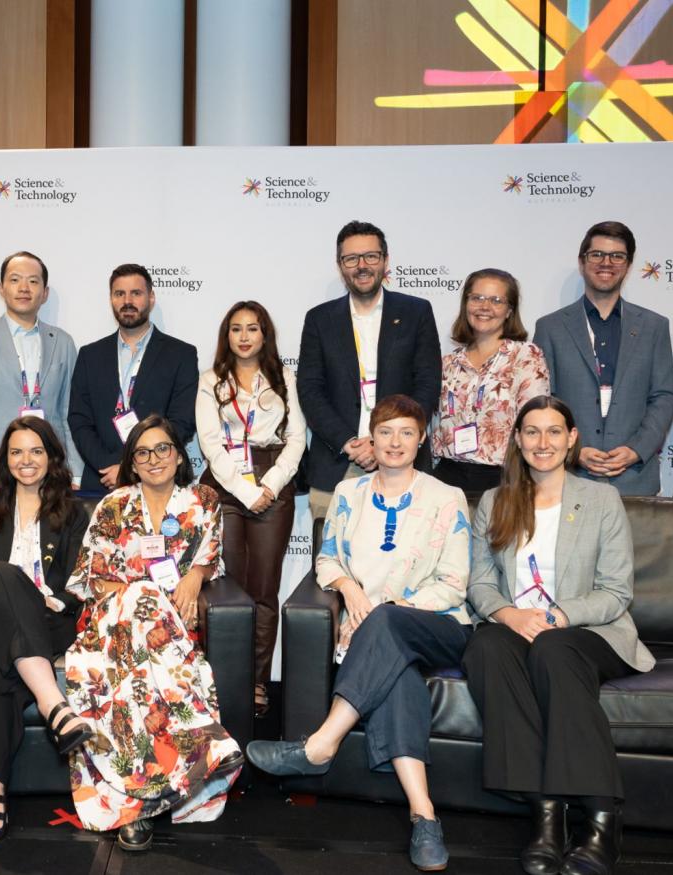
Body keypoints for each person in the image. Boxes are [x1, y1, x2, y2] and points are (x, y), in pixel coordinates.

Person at [246, 394, 472, 873]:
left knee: (388, 624)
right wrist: (348, 588)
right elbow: (327, 560)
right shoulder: (349, 494)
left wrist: (391, 609)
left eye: (406, 432)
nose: (394, 442)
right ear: (372, 437)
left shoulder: (446, 497)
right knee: (398, 673)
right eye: (385, 432)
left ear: (422, 438)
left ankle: (320, 744)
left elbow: (454, 583)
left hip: (439, 625)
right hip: (378, 635)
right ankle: (424, 816)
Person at [464, 395, 654, 875]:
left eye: (554, 432)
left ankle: (602, 822)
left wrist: (558, 615)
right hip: (517, 625)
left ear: (572, 440)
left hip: (588, 629)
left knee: (552, 648)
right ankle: (546, 819)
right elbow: (481, 583)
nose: (542, 442)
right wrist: (508, 615)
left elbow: (615, 591)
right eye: (531, 431)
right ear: (518, 439)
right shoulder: (495, 501)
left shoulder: (601, 499)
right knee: (485, 645)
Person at [64, 415, 243, 851]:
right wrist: (143, 597)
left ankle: (136, 806)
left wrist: (196, 575)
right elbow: (92, 579)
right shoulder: (113, 505)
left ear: (179, 455)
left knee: (140, 677)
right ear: (133, 463)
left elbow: (209, 557)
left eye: (163, 448)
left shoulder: (202, 500)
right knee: (140, 597)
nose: (153, 459)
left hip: (173, 633)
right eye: (142, 453)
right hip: (112, 626)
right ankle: (203, 744)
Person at [0, 417, 91, 854]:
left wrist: (59, 601)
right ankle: (55, 708)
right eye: (16, 452)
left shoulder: (72, 512)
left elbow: (82, 583)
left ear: (51, 458)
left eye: (35, 451)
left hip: (48, 621)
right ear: (4, 459)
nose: (25, 461)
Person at [196, 300, 306, 715]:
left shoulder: (283, 377)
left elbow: (297, 439)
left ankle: (258, 682)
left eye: (252, 328)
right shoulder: (211, 381)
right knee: (226, 591)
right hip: (224, 485)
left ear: (265, 335)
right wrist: (245, 492)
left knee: (264, 590)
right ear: (227, 336)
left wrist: (271, 485)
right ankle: (223, 681)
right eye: (236, 329)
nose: (244, 336)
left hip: (272, 480)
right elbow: (209, 442)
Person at [298, 220, 442, 523]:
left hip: (402, 461)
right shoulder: (319, 320)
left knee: (404, 560)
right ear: (340, 265)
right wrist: (350, 442)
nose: (361, 266)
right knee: (331, 565)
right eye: (351, 259)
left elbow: (427, 383)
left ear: (386, 261)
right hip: (338, 462)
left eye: (371, 256)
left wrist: (387, 441)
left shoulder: (416, 312)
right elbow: (310, 390)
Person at [533, 221, 673, 496]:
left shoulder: (654, 326)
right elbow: (544, 401)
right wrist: (572, 449)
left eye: (617, 256)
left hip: (635, 479)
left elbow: (663, 396)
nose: (606, 262)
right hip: (569, 476)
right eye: (596, 254)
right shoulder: (550, 327)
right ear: (582, 261)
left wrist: (637, 449)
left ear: (628, 264)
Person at [0, 251, 82, 493]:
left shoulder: (63, 342)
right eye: (15, 280)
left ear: (44, 293)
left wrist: (75, 472)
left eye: (33, 281)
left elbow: (69, 412)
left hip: (52, 471)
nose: (24, 287)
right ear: (1, 288)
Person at [68, 263, 199, 495]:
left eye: (136, 293)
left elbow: (182, 422)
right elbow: (79, 421)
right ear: (111, 299)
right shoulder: (90, 355)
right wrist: (108, 465)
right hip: (101, 481)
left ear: (151, 298)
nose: (127, 301)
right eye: (120, 294)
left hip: (160, 482)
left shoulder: (181, 354)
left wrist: (129, 466)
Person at [433, 269, 549, 494]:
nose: (484, 307)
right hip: (446, 478)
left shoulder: (524, 356)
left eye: (496, 300)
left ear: (509, 311)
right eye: (477, 298)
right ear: (466, 304)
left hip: (503, 479)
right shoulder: (448, 363)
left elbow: (534, 422)